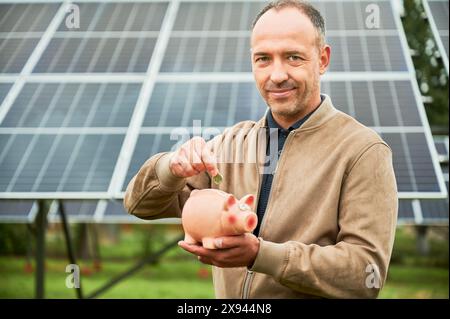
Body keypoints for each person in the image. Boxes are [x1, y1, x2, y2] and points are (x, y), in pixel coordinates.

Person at [124, 0, 398, 298]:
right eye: (263, 59)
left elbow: (365, 274)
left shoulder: (363, 151)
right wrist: (171, 167)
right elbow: (139, 205)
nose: (277, 75)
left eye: (293, 57)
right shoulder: (230, 143)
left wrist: (261, 255)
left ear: (322, 59)